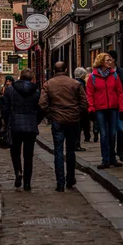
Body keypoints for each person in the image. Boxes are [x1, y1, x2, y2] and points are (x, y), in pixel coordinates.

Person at [39, 61, 87, 192]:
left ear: (54, 70)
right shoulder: (75, 83)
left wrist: (51, 115)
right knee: (71, 151)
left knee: (58, 151)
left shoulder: (48, 84)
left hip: (57, 121)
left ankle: (60, 183)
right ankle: (70, 179)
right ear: (66, 69)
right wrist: (77, 114)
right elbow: (84, 103)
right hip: (72, 120)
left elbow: (42, 104)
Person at [1, 68, 40, 191]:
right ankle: (27, 183)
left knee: (15, 151)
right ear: (32, 78)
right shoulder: (36, 90)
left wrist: (7, 122)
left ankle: (18, 172)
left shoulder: (10, 90)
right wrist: (35, 120)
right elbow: (40, 108)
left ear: (20, 76)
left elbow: (5, 109)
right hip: (31, 126)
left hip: (15, 125)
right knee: (29, 155)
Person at [86, 53, 123, 170]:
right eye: (107, 60)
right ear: (101, 62)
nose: (110, 61)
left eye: (110, 60)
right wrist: (91, 108)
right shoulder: (93, 77)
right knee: (103, 135)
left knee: (112, 134)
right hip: (100, 109)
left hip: (113, 108)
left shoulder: (114, 75)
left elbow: (120, 92)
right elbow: (90, 94)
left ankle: (113, 158)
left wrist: (122, 108)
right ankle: (105, 159)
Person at [107, 50, 123, 163]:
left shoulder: (122, 72)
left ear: (114, 60)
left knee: (121, 129)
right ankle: (111, 153)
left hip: (120, 106)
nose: (108, 61)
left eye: (109, 58)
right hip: (109, 107)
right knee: (111, 132)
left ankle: (120, 150)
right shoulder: (104, 73)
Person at [74, 67, 87, 152]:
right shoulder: (81, 83)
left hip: (74, 107)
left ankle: (75, 144)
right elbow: (83, 97)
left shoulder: (73, 82)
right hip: (79, 108)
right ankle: (77, 145)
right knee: (78, 128)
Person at [85, 67, 99, 143]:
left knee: (91, 120)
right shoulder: (93, 78)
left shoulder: (86, 79)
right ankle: (96, 131)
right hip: (96, 102)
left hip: (89, 102)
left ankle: (94, 132)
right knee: (96, 120)